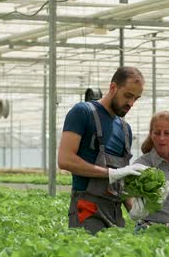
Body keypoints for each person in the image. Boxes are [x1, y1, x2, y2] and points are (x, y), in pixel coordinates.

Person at [58, 67, 148, 235]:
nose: (131, 103)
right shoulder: (83, 113)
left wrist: (135, 210)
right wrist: (110, 173)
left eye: (136, 98)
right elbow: (65, 159)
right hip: (87, 210)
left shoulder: (125, 129)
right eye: (128, 96)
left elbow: (122, 177)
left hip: (115, 212)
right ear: (113, 88)